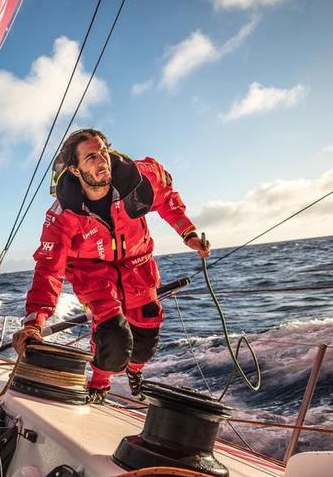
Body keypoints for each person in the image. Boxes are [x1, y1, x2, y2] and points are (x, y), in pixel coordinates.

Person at [11, 128, 211, 403]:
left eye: (103, 151)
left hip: (138, 262)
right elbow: (49, 269)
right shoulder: (62, 215)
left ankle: (135, 371)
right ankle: (99, 385)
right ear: (75, 169)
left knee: (146, 336)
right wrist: (35, 321)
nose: (102, 160)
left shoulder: (138, 180)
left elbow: (166, 198)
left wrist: (187, 233)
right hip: (91, 270)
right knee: (114, 336)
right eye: (91, 157)